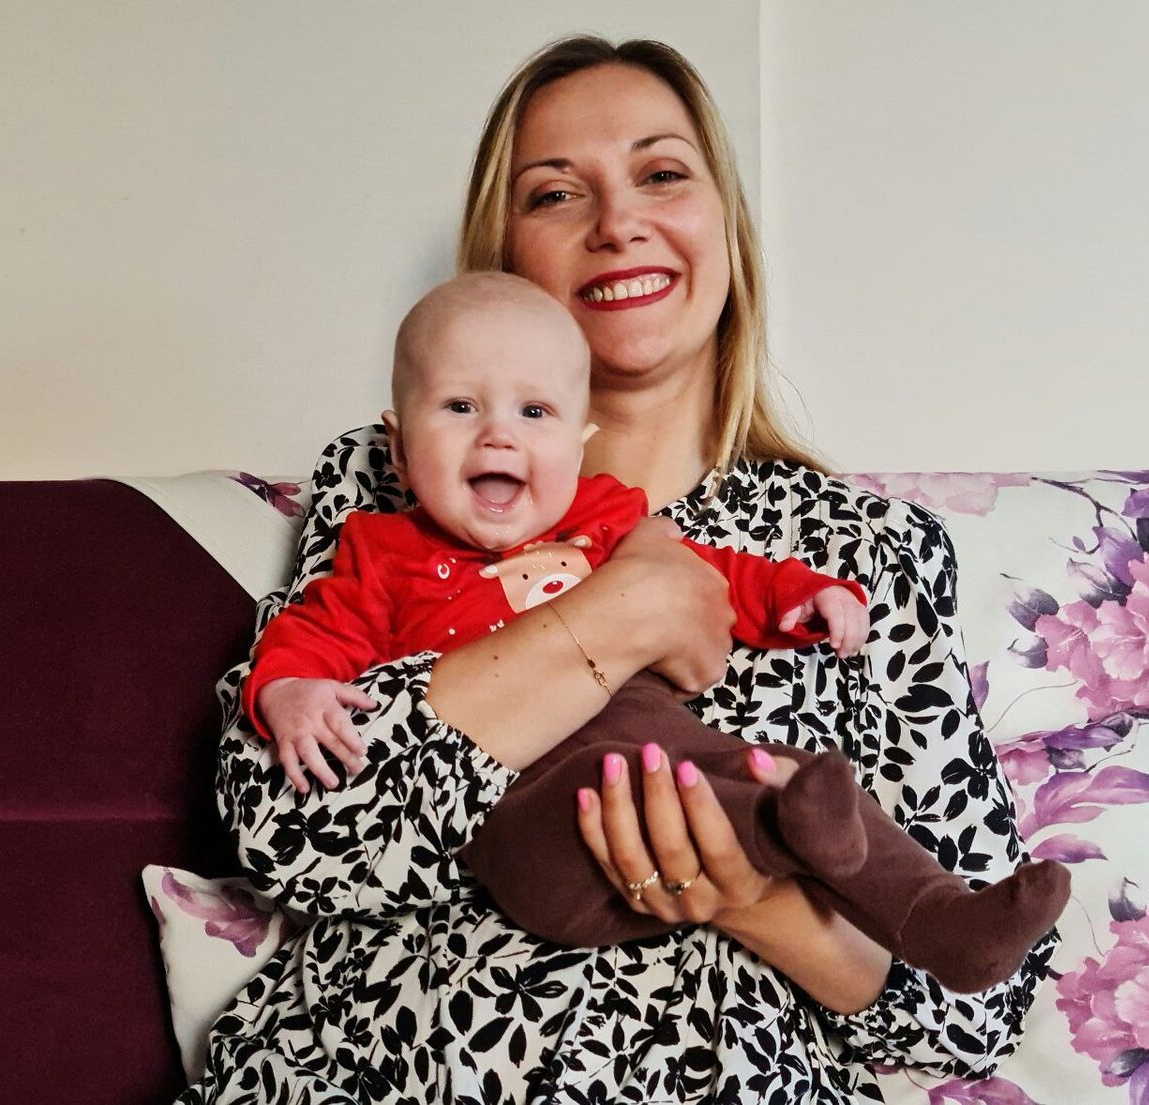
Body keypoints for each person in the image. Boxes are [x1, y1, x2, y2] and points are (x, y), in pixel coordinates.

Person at [181, 36, 1059, 1105]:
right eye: (556, 193)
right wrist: (616, 616)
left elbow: (975, 1009)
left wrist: (749, 901)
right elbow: (290, 829)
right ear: (503, 255)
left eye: (662, 174)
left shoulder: (862, 549)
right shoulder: (392, 479)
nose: (617, 223)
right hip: (407, 1060)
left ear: (726, 225)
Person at [242, 271, 1068, 993]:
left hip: (662, 755)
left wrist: (804, 594)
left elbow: (722, 576)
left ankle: (942, 921)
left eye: (534, 411)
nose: (498, 433)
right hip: (525, 813)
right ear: (397, 445)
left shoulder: (607, 519)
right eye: (460, 407)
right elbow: (316, 631)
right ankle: (779, 829)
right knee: (604, 800)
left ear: (578, 443)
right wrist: (288, 688)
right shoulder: (380, 548)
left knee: (785, 775)